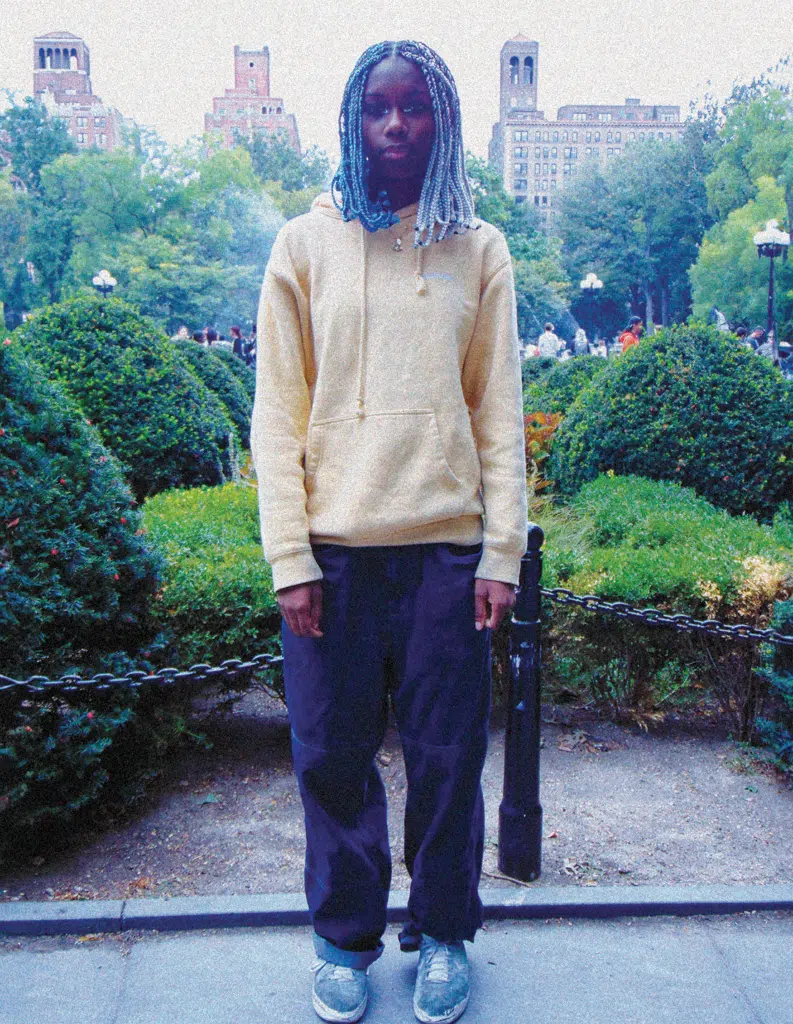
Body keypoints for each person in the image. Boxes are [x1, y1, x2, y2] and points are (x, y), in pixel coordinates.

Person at [251, 39, 527, 1024]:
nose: (398, 126)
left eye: (415, 109)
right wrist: (290, 554)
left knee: (448, 756)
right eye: (379, 108)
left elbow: (497, 411)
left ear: (441, 121)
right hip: (331, 553)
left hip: (447, 550)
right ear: (353, 120)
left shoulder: (478, 247)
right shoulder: (302, 245)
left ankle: (444, 932)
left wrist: (502, 550)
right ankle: (342, 937)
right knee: (329, 752)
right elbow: (276, 416)